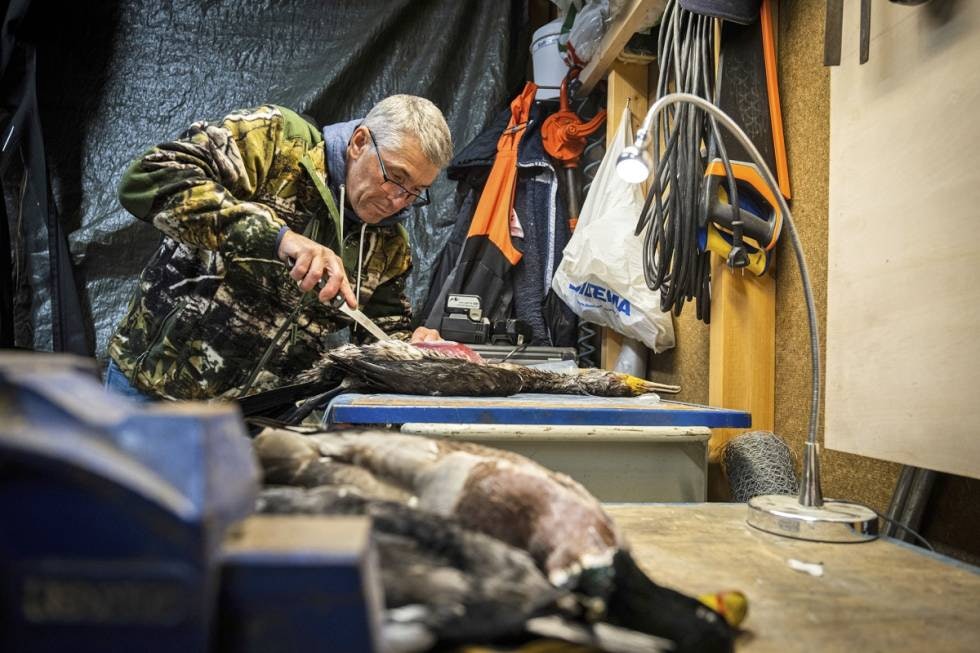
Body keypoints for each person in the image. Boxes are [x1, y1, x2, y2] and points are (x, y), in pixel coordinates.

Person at [104, 96, 452, 401]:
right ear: (359, 142)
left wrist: (414, 348)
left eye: (416, 191)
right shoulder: (276, 141)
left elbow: (381, 333)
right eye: (395, 176)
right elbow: (149, 178)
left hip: (265, 416)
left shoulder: (388, 243)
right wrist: (278, 237)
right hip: (155, 391)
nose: (398, 200)